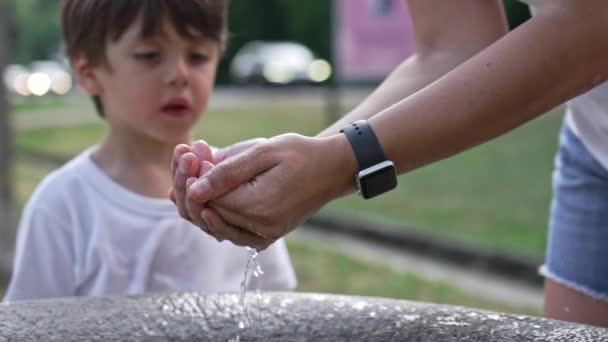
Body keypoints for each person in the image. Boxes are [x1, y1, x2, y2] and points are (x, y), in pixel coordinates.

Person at [171, 0, 608, 326]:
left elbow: (592, 29)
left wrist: (341, 162)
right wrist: (305, 156)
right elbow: (454, 46)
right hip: (594, 142)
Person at [4, 0, 296, 302]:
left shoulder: (240, 188)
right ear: (88, 72)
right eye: (149, 56)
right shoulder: (62, 207)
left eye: (198, 56)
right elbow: (31, 325)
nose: (179, 74)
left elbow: (275, 312)